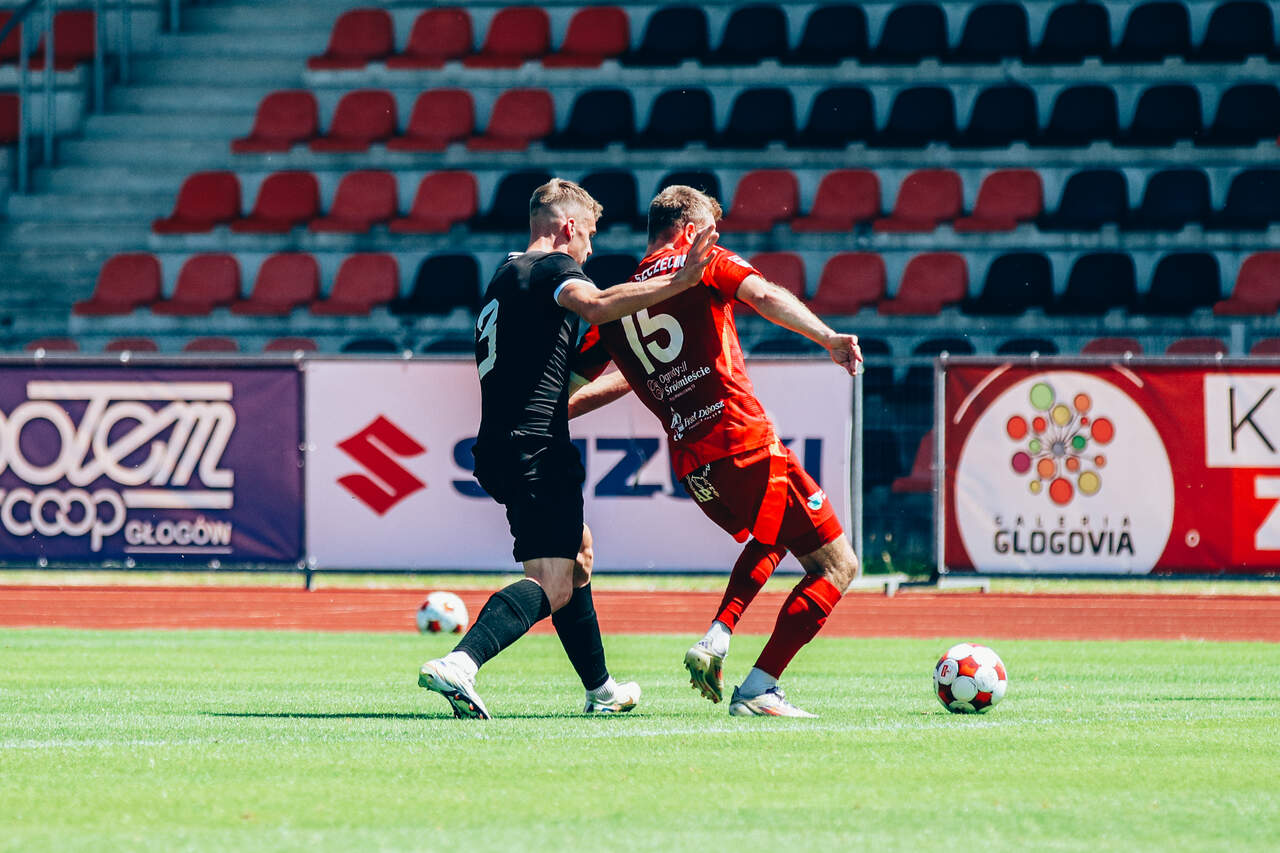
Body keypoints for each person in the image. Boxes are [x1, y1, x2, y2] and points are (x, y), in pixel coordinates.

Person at [419, 178, 719, 719]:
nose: (591, 250)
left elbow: (565, 390)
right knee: (552, 583)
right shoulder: (554, 268)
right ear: (569, 227)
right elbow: (597, 305)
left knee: (576, 555)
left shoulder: (506, 276)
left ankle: (601, 690)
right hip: (538, 450)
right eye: (591, 236)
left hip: (502, 444)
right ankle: (461, 663)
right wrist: (681, 281)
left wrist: (635, 377)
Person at [569, 185, 861, 717]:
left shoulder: (615, 304)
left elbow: (574, 386)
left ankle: (722, 639)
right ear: (688, 231)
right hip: (740, 436)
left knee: (777, 534)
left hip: (693, 463)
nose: (716, 238)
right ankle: (755, 682)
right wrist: (827, 337)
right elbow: (763, 295)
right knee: (837, 564)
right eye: (710, 229)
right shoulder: (702, 262)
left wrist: (538, 417)